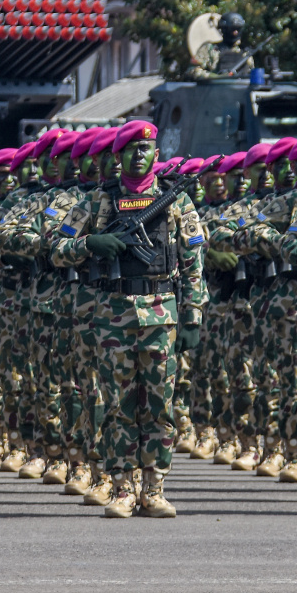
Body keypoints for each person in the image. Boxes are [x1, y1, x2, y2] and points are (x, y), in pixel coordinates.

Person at [50, 120, 206, 518]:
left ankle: (154, 488)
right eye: (132, 149)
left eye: (147, 148)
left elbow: (192, 263)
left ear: (157, 154)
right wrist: (90, 243)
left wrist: (192, 315)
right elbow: (56, 247)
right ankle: (122, 487)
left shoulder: (176, 202)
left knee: (159, 405)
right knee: (118, 405)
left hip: (160, 312)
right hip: (113, 315)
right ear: (118, 157)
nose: (140, 155)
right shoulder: (98, 202)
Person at [190, 12, 255, 79]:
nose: (236, 32)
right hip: (214, 88)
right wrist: (216, 77)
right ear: (224, 29)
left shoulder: (245, 53)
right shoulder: (210, 49)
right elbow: (193, 71)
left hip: (240, 88)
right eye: (232, 29)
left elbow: (251, 76)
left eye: (238, 29)